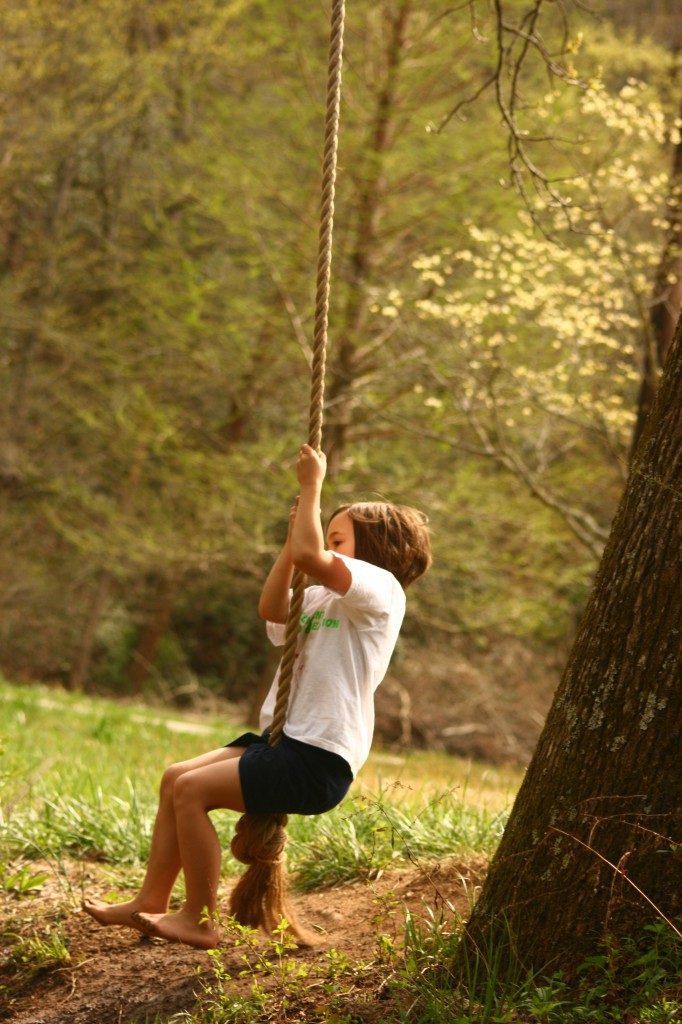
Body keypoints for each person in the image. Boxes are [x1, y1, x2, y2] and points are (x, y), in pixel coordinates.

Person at [83, 444, 432, 949]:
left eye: (338, 538)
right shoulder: (319, 597)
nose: (326, 544)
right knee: (176, 777)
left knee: (193, 792)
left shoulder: (381, 589)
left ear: (378, 547)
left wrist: (312, 487)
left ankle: (199, 919)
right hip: (285, 741)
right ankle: (150, 899)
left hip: (318, 756)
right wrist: (293, 540)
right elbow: (272, 608)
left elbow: (312, 556)